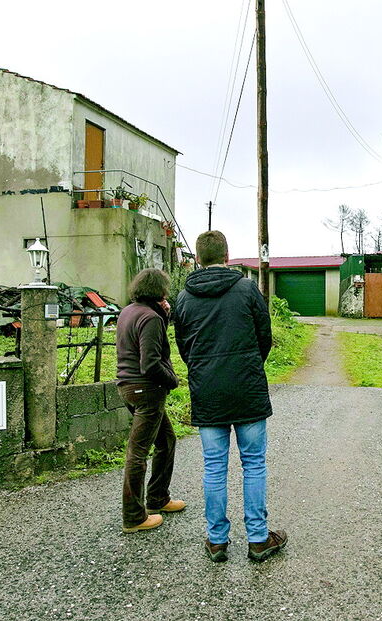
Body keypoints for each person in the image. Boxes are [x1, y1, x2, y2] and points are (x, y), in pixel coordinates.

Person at [172, 230, 287, 562]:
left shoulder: (184, 298)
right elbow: (264, 337)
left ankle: (217, 540)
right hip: (247, 388)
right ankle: (258, 539)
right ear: (227, 255)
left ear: (197, 259)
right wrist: (249, 366)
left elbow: (184, 347)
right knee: (254, 464)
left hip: (207, 391)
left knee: (214, 467)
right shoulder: (247, 289)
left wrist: (204, 371)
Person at [115, 268, 186, 533]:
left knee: (166, 441)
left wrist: (163, 316)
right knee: (138, 453)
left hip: (128, 387)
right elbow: (151, 363)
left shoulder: (128, 311)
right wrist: (173, 380)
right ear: (160, 291)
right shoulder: (150, 317)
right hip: (147, 390)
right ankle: (134, 516)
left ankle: (158, 498)